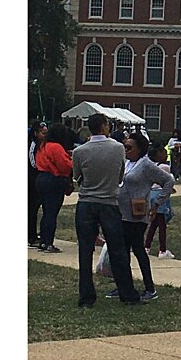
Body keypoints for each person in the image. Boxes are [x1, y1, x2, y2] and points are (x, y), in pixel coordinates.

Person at [72, 112, 143, 307]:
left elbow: (77, 176)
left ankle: (86, 297)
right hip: (109, 203)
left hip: (86, 203)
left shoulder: (79, 151)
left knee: (85, 251)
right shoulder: (118, 148)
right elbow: (120, 175)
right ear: (104, 126)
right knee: (118, 250)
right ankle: (128, 294)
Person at [110, 131, 174, 302]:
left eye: (129, 147)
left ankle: (150, 288)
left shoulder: (146, 165)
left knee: (137, 249)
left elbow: (168, 181)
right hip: (121, 212)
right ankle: (124, 285)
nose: (126, 150)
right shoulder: (126, 163)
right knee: (123, 251)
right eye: (125, 147)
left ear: (139, 149)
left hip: (137, 215)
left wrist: (157, 204)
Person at [34, 122, 73, 252]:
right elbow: (65, 166)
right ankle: (49, 242)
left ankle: (44, 241)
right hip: (53, 180)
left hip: (41, 178)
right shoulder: (56, 147)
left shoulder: (43, 146)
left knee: (46, 212)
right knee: (52, 212)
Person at [144, 145, 176, 258]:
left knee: (154, 223)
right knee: (162, 223)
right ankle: (162, 250)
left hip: (152, 193)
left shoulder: (151, 165)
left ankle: (147, 246)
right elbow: (168, 181)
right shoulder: (164, 167)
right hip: (160, 194)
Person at [28, 121, 47, 247]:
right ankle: (31, 235)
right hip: (32, 179)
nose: (45, 135)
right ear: (35, 133)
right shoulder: (33, 145)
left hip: (35, 179)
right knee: (31, 209)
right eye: (42, 133)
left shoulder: (41, 145)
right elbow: (33, 162)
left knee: (34, 208)